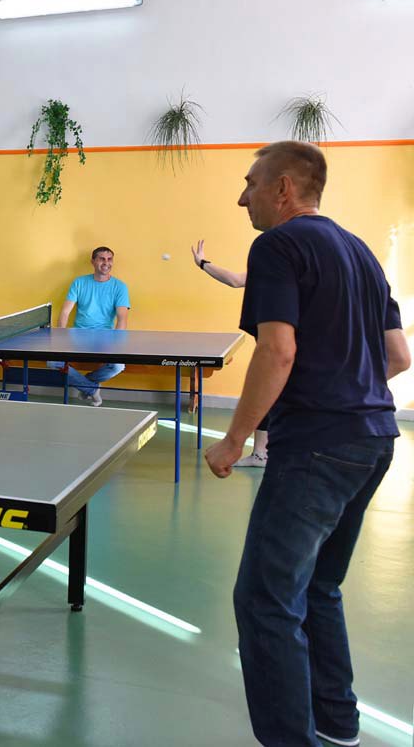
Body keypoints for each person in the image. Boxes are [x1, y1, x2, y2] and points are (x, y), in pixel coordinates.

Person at [204, 142, 410, 747]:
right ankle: (338, 726)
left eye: (250, 184)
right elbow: (398, 356)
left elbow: (277, 350)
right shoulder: (361, 251)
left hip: (317, 449)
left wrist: (234, 440)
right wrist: (345, 390)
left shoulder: (277, 245)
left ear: (283, 188)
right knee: (318, 586)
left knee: (265, 602)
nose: (242, 198)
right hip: (374, 439)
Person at [191, 239, 270, 467]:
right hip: (270, 339)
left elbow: (235, 280)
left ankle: (263, 453)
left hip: (281, 346)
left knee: (266, 396)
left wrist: (203, 263)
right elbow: (235, 280)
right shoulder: (271, 271)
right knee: (269, 398)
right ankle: (261, 454)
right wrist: (203, 263)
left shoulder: (284, 273)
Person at [48, 246, 130, 406]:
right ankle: (92, 390)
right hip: (78, 336)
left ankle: (86, 384)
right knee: (52, 362)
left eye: (109, 259)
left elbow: (122, 319)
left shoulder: (120, 287)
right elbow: (65, 312)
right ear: (93, 261)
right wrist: (60, 337)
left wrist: (117, 344)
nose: (106, 263)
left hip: (105, 338)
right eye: (101, 259)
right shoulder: (79, 282)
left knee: (117, 366)